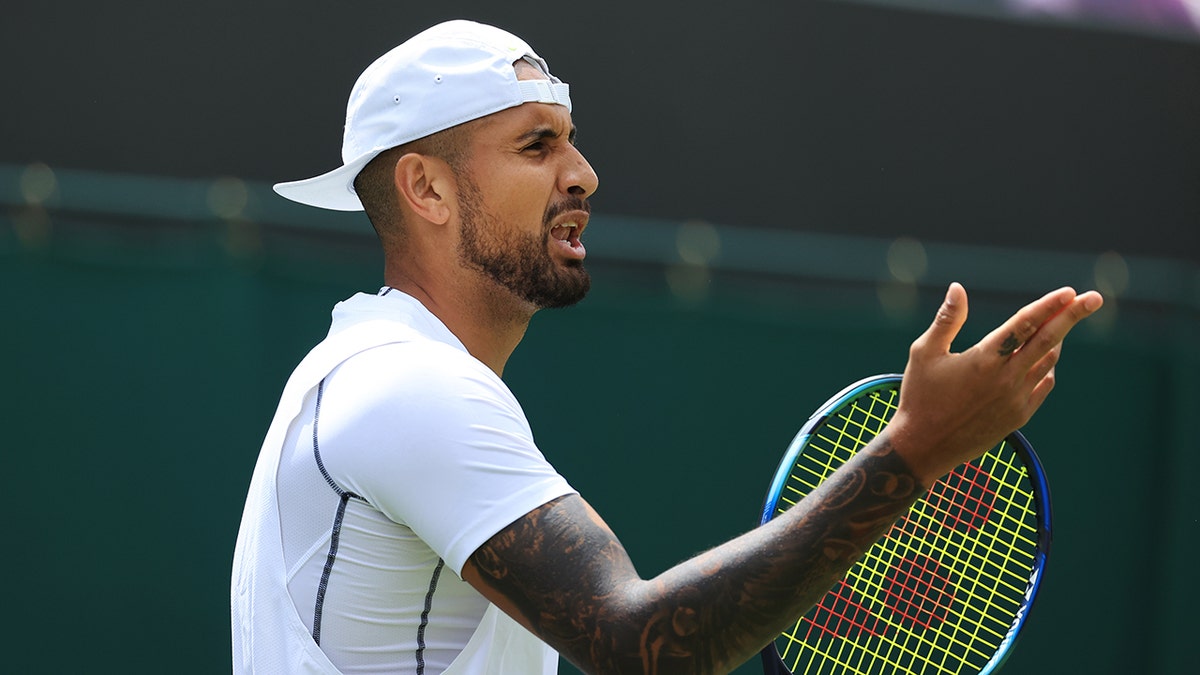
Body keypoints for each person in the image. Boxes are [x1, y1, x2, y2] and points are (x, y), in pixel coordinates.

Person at [230, 19, 1103, 675]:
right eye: (537, 144)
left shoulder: (371, 374)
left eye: (570, 140)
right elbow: (638, 643)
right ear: (426, 187)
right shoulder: (404, 387)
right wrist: (919, 446)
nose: (583, 174)